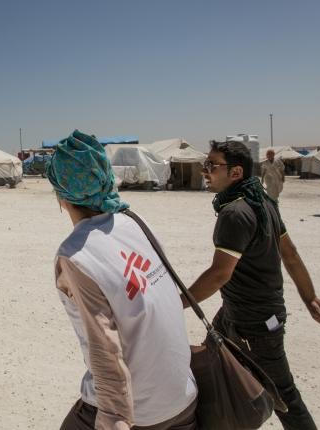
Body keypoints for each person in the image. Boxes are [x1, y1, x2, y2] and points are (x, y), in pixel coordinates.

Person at [49, 131, 197, 430]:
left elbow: (105, 347)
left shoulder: (77, 255)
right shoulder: (135, 221)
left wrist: (115, 419)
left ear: (62, 196)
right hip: (183, 398)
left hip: (138, 412)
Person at [184, 140, 320, 430]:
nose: (205, 171)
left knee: (285, 397)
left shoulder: (235, 213)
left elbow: (218, 274)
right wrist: (310, 297)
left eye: (212, 165)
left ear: (236, 172)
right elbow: (289, 253)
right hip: (235, 314)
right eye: (205, 165)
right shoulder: (263, 202)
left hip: (255, 325)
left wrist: (177, 301)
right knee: (209, 369)